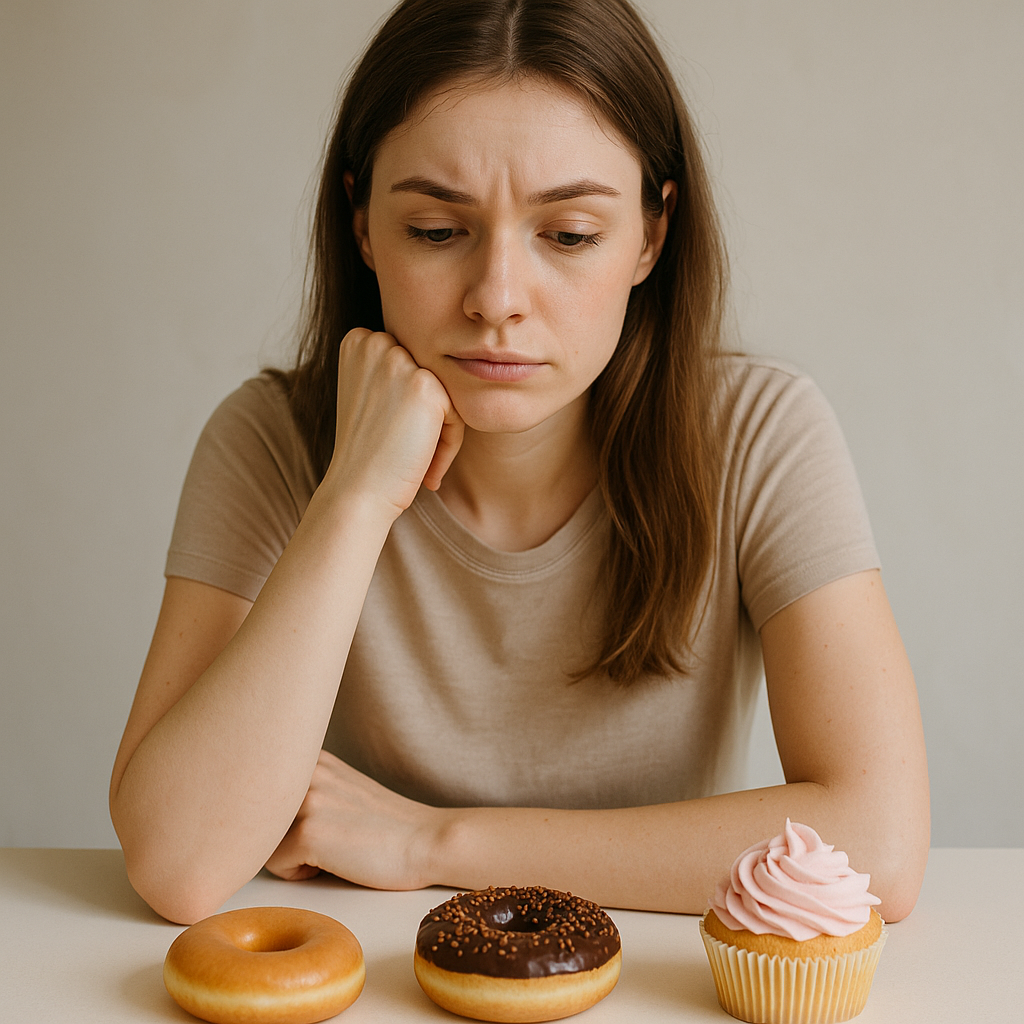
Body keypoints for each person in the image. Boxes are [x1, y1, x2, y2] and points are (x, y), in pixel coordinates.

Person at [109, 0, 930, 927]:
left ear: (652, 236)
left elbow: (879, 848)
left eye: (569, 235)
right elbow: (175, 865)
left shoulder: (758, 432)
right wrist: (354, 498)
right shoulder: (270, 439)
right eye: (435, 230)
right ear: (363, 224)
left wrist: (430, 844)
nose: (497, 298)